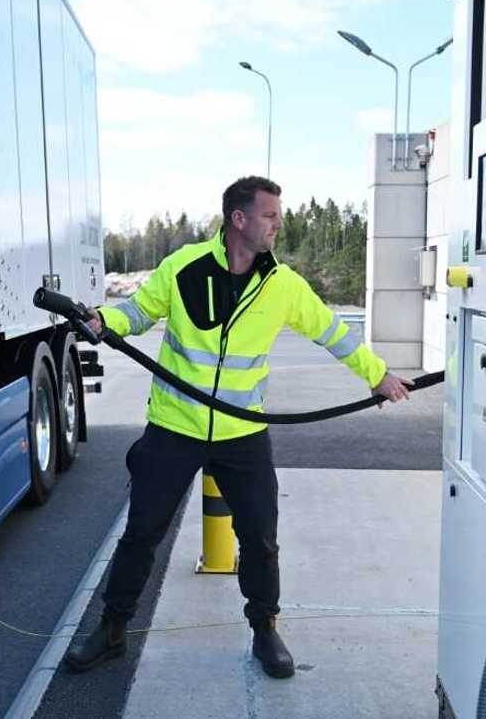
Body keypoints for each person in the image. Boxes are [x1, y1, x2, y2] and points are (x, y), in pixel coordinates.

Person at [63, 176, 412, 679]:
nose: (278, 224)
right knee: (141, 534)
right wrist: (106, 320)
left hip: (241, 435)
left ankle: (265, 630)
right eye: (270, 215)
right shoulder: (183, 266)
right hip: (174, 428)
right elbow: (140, 311)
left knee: (260, 539)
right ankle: (113, 629)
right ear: (238, 219)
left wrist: (377, 375)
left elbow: (332, 332)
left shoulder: (283, 284)